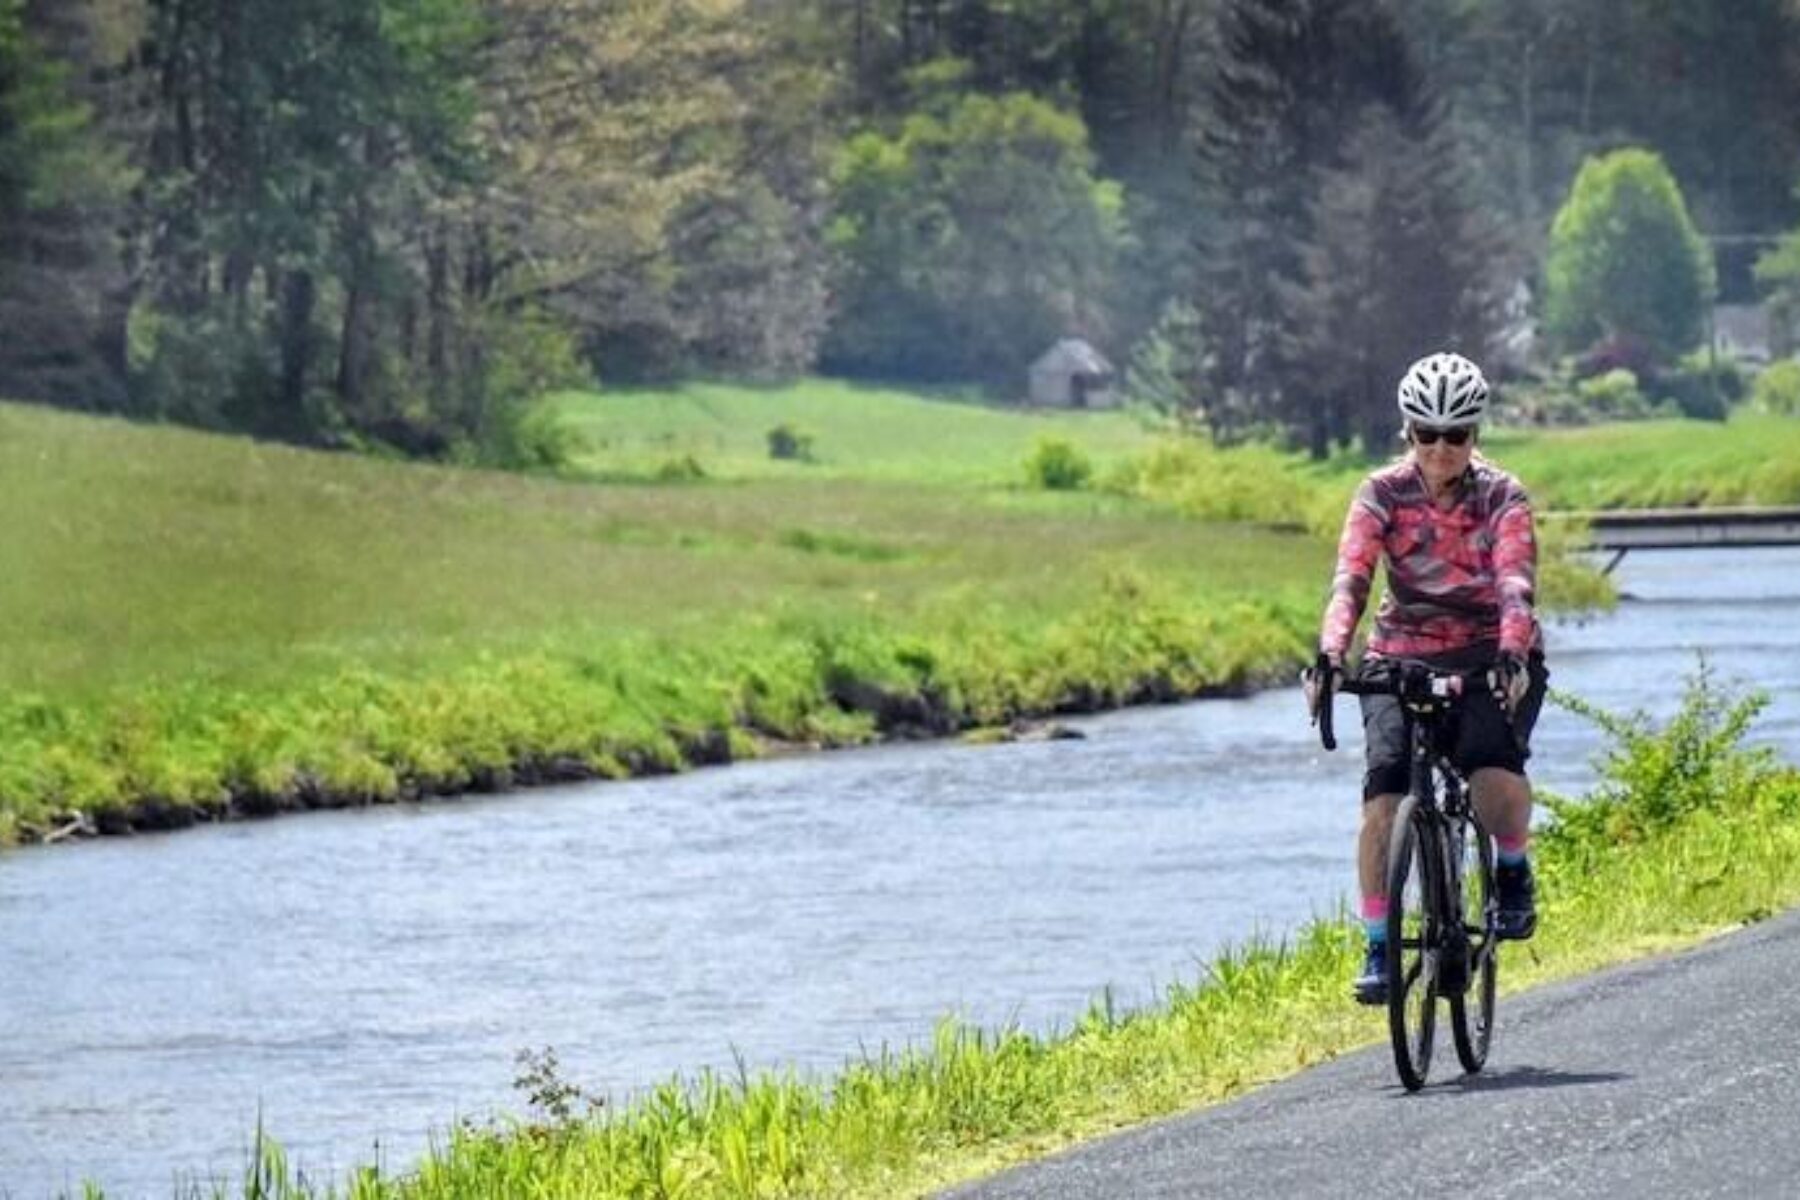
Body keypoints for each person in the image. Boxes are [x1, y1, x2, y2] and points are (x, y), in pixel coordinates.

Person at [1304, 351, 1549, 1006]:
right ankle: (1379, 943)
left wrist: (1511, 653)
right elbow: (1351, 579)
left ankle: (1513, 868)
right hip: (1400, 652)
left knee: (1491, 768)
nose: (1441, 450)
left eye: (1457, 435)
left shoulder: (1503, 495)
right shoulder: (1380, 493)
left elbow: (1515, 585)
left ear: (1475, 435)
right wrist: (1330, 656)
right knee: (1383, 798)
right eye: (1427, 434)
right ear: (1408, 431)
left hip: (1485, 652)